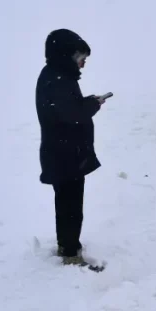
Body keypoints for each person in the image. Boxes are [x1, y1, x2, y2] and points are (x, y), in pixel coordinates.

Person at [36, 29, 108, 269]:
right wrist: (92, 104)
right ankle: (70, 254)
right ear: (67, 55)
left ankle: (68, 246)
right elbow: (72, 114)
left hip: (65, 153)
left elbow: (69, 109)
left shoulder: (58, 77)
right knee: (70, 206)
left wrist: (86, 103)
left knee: (68, 204)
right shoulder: (56, 80)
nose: (83, 64)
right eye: (81, 58)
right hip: (64, 155)